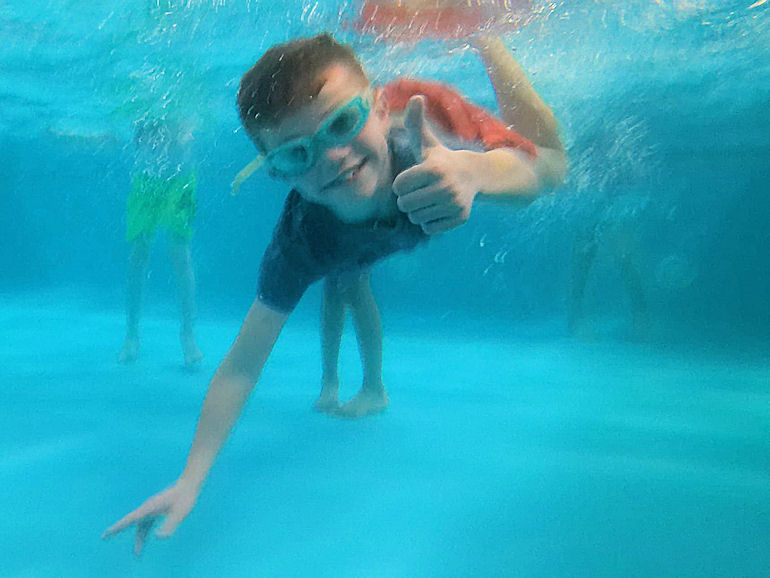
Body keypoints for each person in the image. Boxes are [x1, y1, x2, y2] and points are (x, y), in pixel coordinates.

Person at [103, 23, 565, 553]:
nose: (332, 157)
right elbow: (242, 365)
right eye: (297, 154)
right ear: (277, 173)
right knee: (345, 283)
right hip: (352, 245)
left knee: (558, 154)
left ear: (378, 109)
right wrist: (191, 479)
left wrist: (476, 174)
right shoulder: (301, 243)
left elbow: (546, 175)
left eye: (344, 122)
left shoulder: (427, 142)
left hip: (435, 128)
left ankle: (484, 33)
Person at [118, 117, 204, 369]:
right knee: (137, 258)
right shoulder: (140, 111)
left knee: (181, 256)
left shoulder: (179, 105)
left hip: (181, 182)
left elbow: (188, 133)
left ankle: (188, 336)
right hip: (145, 185)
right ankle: (131, 335)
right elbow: (120, 138)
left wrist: (176, 132)